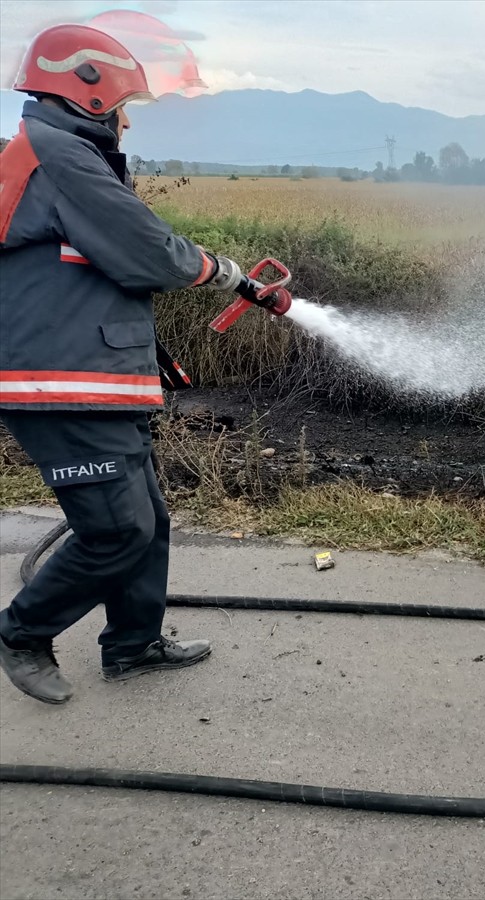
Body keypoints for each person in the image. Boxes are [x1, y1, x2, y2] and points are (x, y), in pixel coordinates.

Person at [0, 23, 245, 704]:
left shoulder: (61, 152)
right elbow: (144, 248)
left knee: (149, 520)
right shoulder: (58, 157)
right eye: (120, 105)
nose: (127, 119)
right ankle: (21, 632)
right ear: (85, 91)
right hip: (57, 380)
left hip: (94, 374)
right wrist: (219, 271)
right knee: (116, 529)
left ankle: (133, 645)